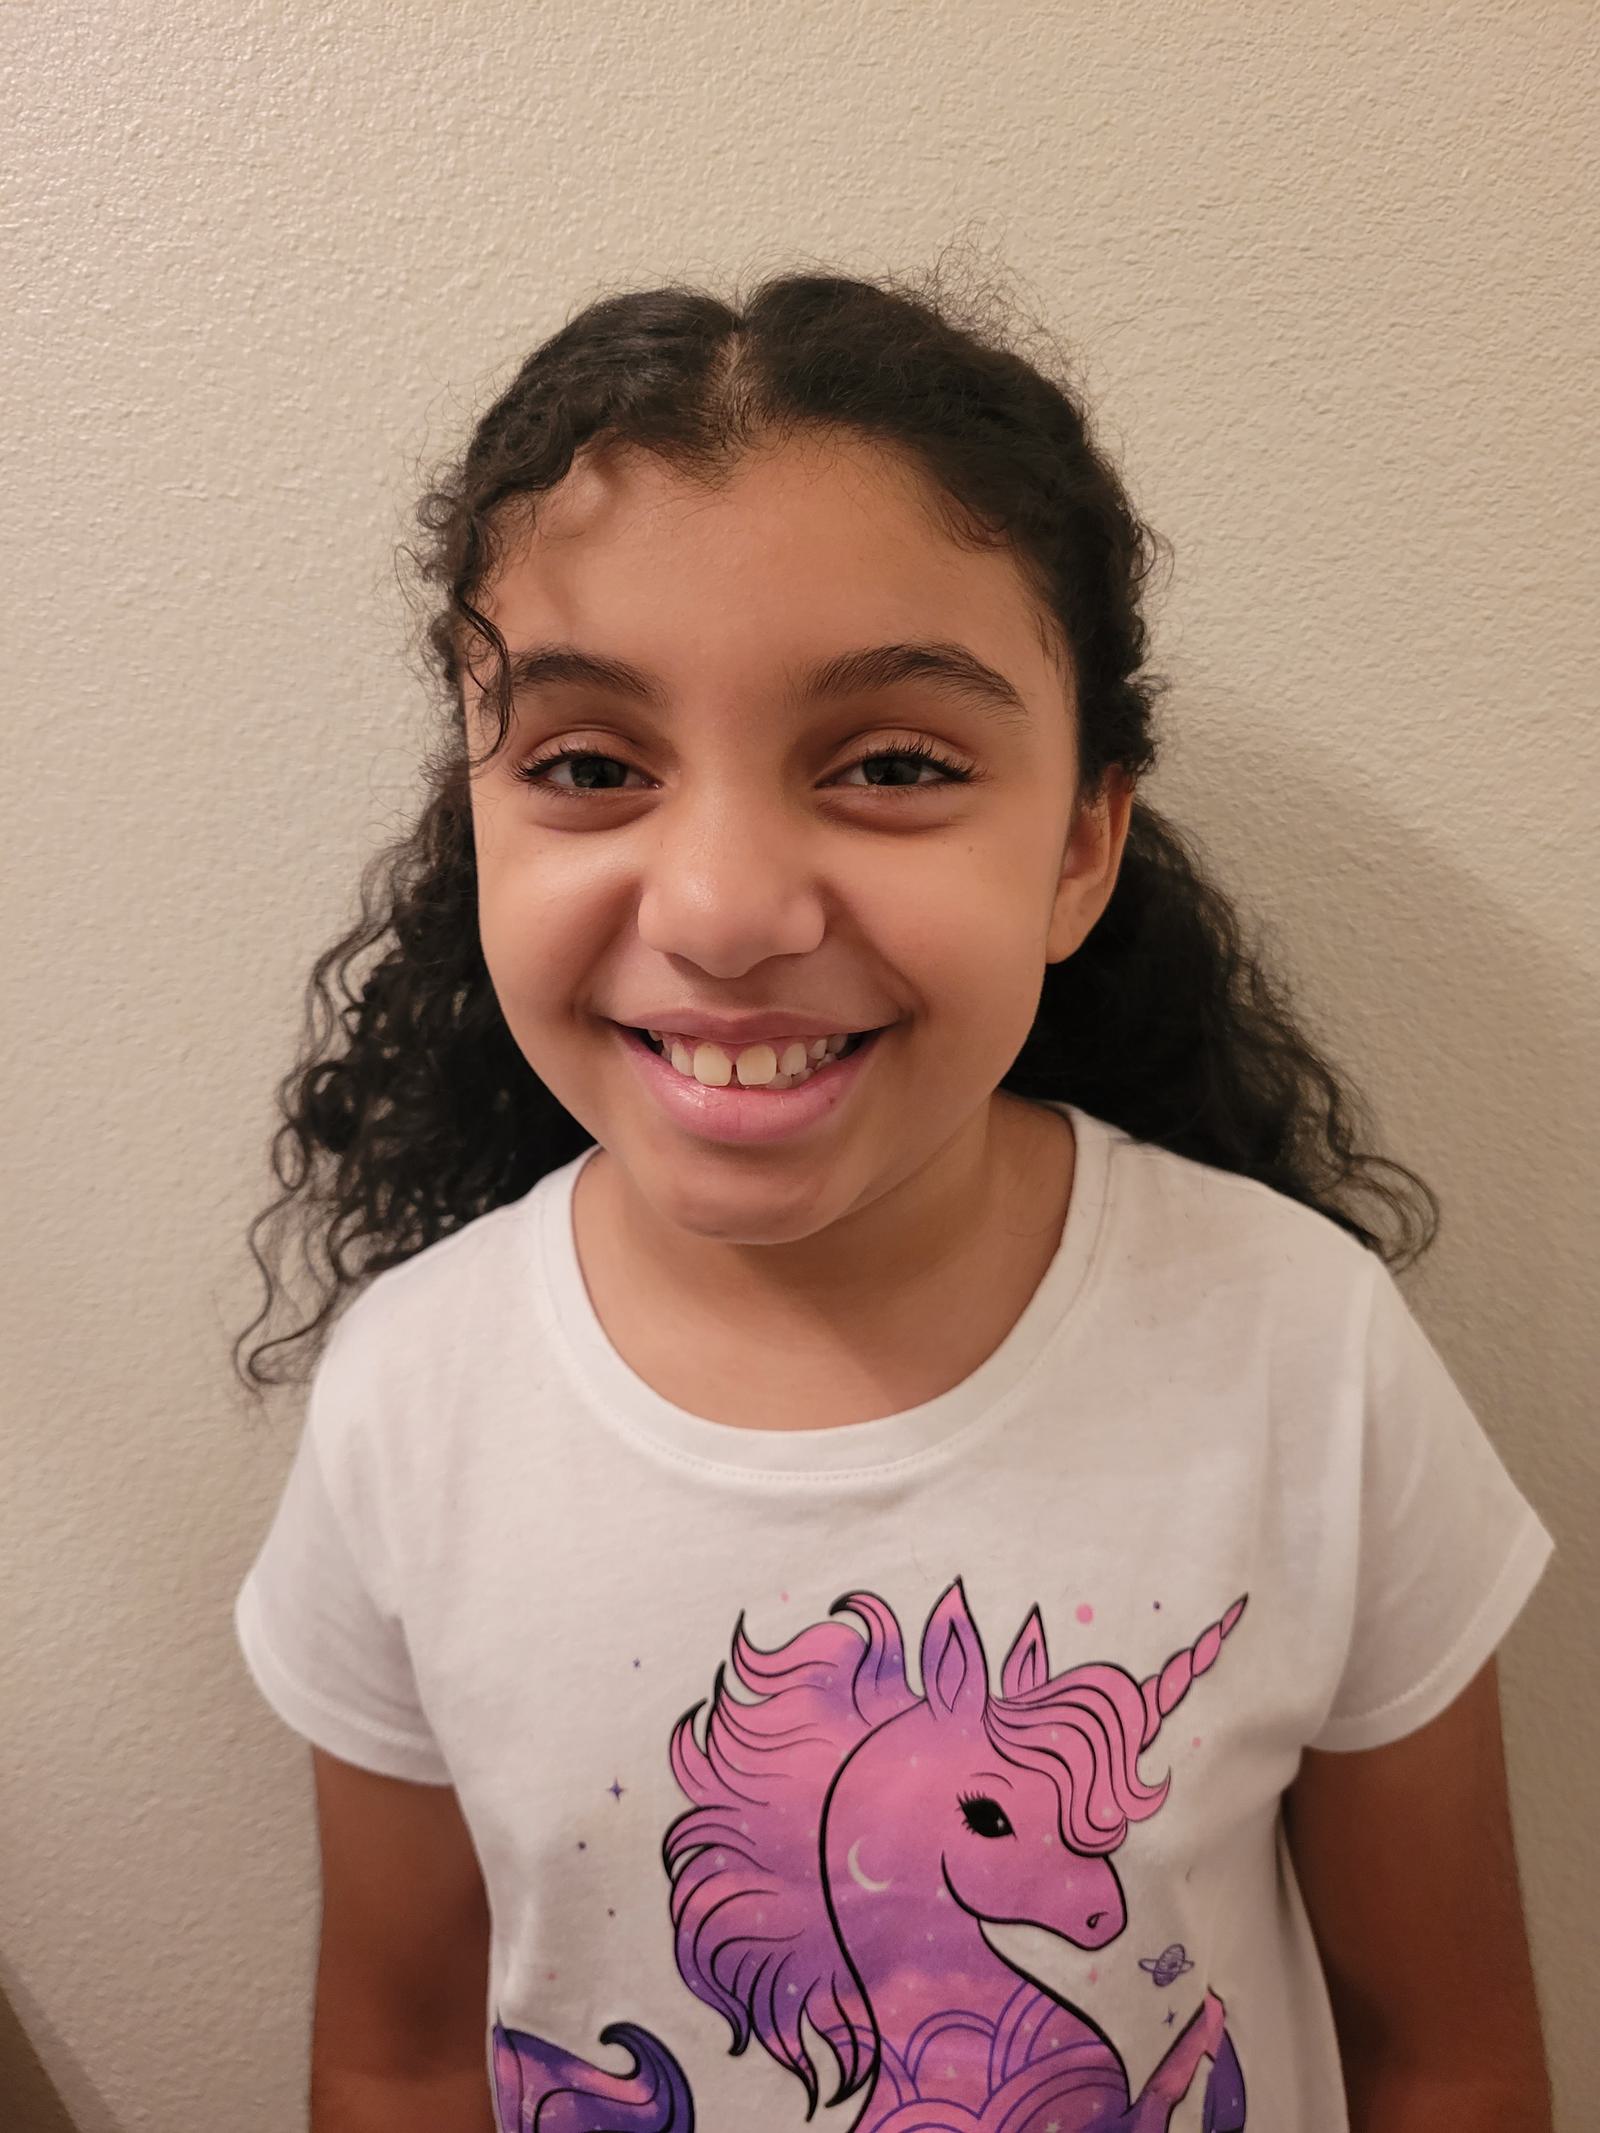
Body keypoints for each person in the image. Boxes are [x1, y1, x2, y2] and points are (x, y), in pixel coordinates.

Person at [230, 258, 1557, 2133]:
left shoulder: (1304, 1352)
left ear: (1082, 844)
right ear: (480, 814)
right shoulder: (408, 1399)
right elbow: (395, 2050)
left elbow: (1453, 2055)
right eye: (591, 763)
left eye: (895, 764)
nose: (721, 908)